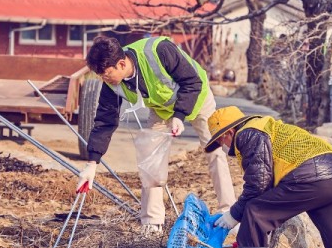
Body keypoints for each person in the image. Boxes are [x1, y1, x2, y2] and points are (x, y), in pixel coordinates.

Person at [77, 35, 236, 235]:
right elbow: (105, 121)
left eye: (107, 74)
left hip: (198, 98)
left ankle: (229, 213)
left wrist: (180, 115)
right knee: (150, 161)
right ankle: (152, 223)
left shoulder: (159, 50)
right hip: (162, 110)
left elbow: (192, 82)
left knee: (216, 153)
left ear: (121, 63)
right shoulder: (111, 83)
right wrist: (92, 164)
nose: (104, 79)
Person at [205, 106, 332, 248]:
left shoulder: (247, 133)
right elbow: (266, 186)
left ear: (229, 132)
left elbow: (258, 185)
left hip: (311, 179)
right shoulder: (265, 126)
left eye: (221, 141)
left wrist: (234, 215)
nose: (223, 147)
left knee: (254, 214)